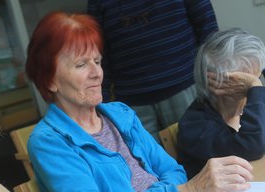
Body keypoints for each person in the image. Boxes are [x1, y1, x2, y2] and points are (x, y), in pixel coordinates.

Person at [25, 12, 253, 192]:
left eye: (98, 61)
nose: (97, 74)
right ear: (50, 80)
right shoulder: (49, 141)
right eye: (81, 65)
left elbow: (171, 169)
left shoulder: (119, 113)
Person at [87, 0, 218, 139]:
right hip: (131, 103)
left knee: (200, 150)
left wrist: (215, 77)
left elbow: (208, 30)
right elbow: (99, 51)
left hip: (184, 89)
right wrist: (101, 105)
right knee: (142, 159)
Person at [177, 28, 265, 179]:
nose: (256, 86)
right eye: (247, 81)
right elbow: (254, 147)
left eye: (257, 77)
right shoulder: (194, 127)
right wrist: (255, 88)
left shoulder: (255, 105)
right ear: (217, 83)